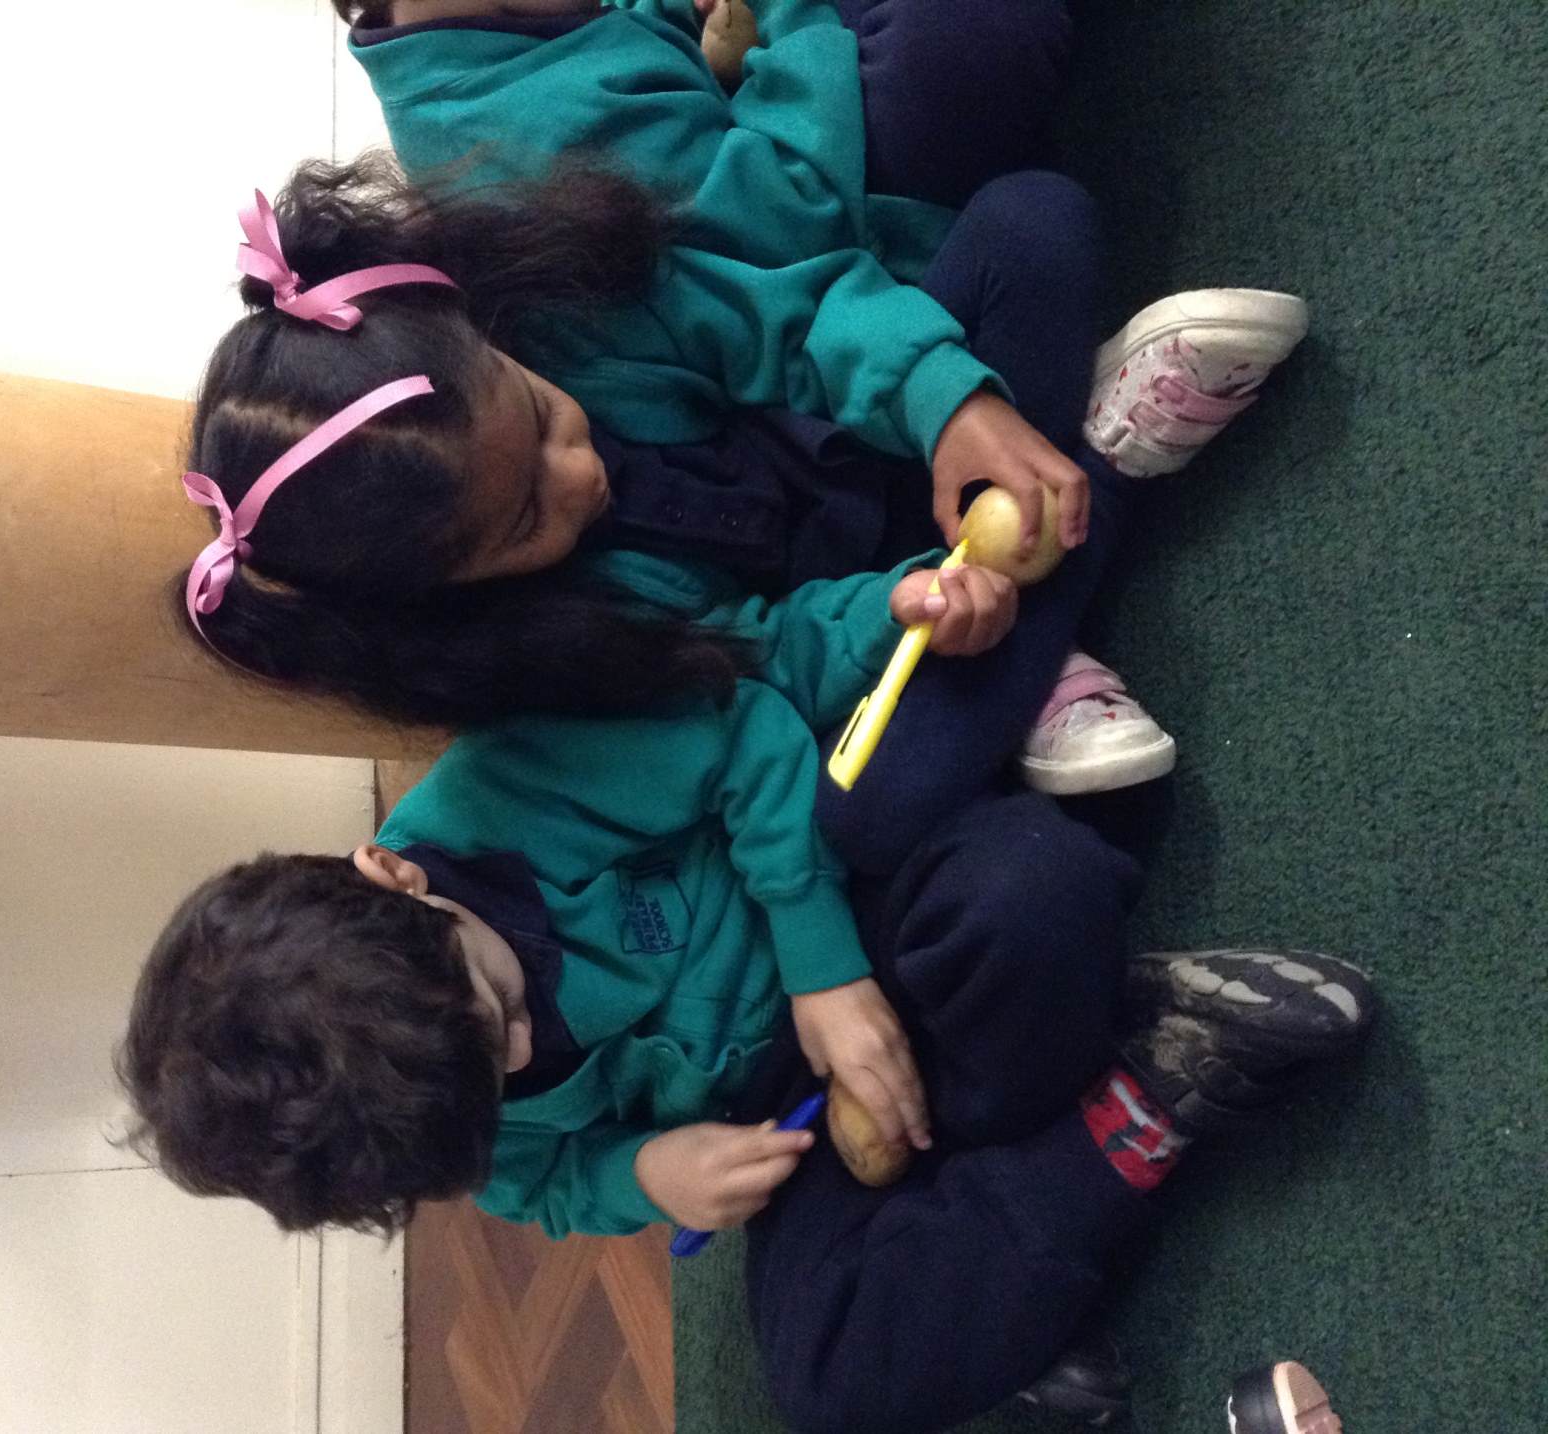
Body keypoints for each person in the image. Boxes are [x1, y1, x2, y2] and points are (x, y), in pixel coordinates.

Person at [117, 659, 1378, 1432]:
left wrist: (822, 966)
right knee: (829, 1383)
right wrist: (642, 1173)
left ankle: (1011, 1250)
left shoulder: (505, 790)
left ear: (395, 876)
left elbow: (745, 732)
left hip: (853, 929)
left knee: (1023, 891)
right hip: (799, 1122)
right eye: (490, 1085)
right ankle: (1145, 1093)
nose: (519, 1050)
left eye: (495, 1007)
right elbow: (546, 1185)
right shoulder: (430, 1115)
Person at [179, 161, 1303, 836]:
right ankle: (1105, 467)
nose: (579, 475)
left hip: (899, 446)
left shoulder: (576, 311)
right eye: (524, 520)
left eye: (542, 414)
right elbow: (765, 660)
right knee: (862, 816)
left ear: (485, 331)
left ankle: (1050, 588)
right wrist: (903, 609)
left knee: (1030, 219)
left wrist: (948, 403)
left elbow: (801, 318)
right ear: (443, 592)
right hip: (893, 623)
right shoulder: (540, 654)